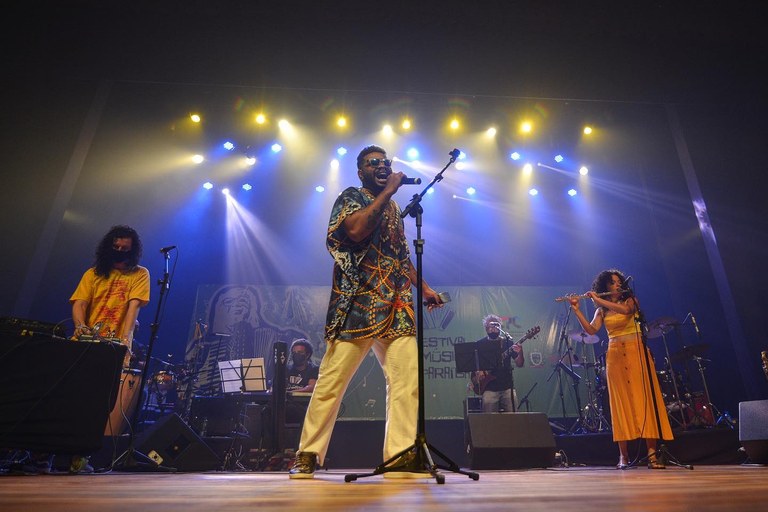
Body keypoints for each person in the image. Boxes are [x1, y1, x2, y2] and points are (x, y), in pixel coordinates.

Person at [288, 144, 444, 479]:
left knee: (406, 383)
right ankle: (308, 454)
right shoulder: (352, 197)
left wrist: (425, 288)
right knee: (331, 382)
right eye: (373, 163)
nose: (381, 166)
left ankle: (400, 455)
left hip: (396, 306)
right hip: (358, 304)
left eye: (385, 162)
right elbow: (356, 231)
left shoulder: (392, 209)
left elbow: (400, 258)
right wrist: (388, 192)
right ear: (361, 172)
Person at [568, 269, 673, 469]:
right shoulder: (601, 311)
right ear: (605, 286)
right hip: (615, 355)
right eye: (612, 282)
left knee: (645, 400)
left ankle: (652, 454)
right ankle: (623, 456)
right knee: (620, 403)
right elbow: (591, 330)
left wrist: (599, 301)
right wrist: (577, 310)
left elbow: (626, 312)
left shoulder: (630, 300)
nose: (617, 285)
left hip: (637, 352)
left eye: (618, 282)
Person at [68, 225, 151, 473]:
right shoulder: (93, 274)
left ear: (132, 250)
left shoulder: (140, 274)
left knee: (98, 405)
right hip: (84, 344)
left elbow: (132, 311)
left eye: (124, 248)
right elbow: (79, 303)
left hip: (112, 347)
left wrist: (125, 343)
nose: (119, 251)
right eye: (115, 247)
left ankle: (79, 459)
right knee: (71, 401)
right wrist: (80, 326)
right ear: (108, 247)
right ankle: (49, 455)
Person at [471, 314, 524, 413]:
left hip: (507, 387)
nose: (493, 329)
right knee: (489, 421)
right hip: (489, 388)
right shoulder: (480, 344)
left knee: (514, 419)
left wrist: (520, 351)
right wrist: (479, 372)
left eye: (496, 326)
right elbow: (473, 363)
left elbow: (520, 364)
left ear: (500, 327)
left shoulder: (508, 342)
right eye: (490, 326)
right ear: (486, 328)